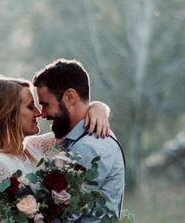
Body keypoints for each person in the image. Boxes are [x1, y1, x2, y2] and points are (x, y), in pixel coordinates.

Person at [0, 76, 111, 206]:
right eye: (30, 107)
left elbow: (77, 126)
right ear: (10, 115)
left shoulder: (33, 147)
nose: (39, 113)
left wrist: (98, 107)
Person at [33, 59, 125, 221]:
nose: (43, 114)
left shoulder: (89, 147)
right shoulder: (80, 139)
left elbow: (61, 217)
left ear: (70, 97)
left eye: (46, 105)